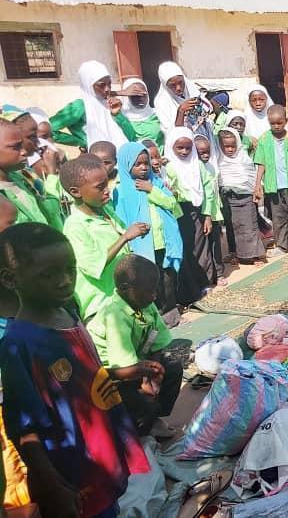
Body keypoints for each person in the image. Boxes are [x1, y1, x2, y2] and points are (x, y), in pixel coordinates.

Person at [0, 223, 149, 518]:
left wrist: (127, 374)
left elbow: (84, 375)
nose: (65, 281)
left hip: (99, 448)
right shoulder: (19, 344)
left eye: (70, 269)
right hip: (71, 468)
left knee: (109, 506)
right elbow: (23, 426)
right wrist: (51, 482)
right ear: (10, 279)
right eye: (48, 275)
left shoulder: (68, 313)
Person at [88, 254, 183, 438]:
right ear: (125, 288)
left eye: (156, 289)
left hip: (134, 365)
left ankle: (153, 420)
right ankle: (136, 435)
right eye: (149, 290)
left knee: (172, 369)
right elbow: (122, 369)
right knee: (143, 401)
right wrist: (146, 378)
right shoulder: (115, 315)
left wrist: (152, 377)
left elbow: (157, 343)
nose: (154, 295)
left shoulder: (146, 304)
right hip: (110, 376)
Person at [60, 155, 149, 320]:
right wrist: (125, 238)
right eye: (100, 187)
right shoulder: (75, 226)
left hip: (123, 297)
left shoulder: (105, 211)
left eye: (106, 184)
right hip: (102, 307)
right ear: (75, 192)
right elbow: (94, 265)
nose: (107, 190)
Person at [113, 141, 185, 326]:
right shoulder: (120, 191)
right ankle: (155, 319)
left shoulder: (156, 182)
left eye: (145, 163)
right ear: (126, 165)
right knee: (149, 282)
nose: (144, 168)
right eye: (138, 164)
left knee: (167, 279)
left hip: (164, 242)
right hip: (142, 246)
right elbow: (120, 221)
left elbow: (171, 204)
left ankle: (171, 314)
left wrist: (151, 190)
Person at [162, 127, 213, 300]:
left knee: (199, 247)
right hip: (177, 213)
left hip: (196, 210)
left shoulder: (197, 165)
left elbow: (208, 190)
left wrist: (207, 215)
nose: (184, 152)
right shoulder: (167, 167)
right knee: (184, 250)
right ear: (171, 147)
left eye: (188, 148)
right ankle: (189, 289)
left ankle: (204, 282)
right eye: (180, 148)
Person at [254, 104, 288, 258]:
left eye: (279, 123)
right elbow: (261, 164)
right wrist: (258, 185)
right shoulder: (264, 139)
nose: (276, 126)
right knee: (279, 218)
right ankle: (282, 245)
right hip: (274, 187)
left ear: (286, 120)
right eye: (272, 123)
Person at [50, 60, 138, 149]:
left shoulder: (111, 103)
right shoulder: (80, 106)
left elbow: (131, 137)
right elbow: (48, 130)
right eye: (101, 85)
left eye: (109, 84)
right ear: (88, 85)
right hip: (97, 159)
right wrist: (82, 142)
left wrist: (117, 115)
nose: (107, 89)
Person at [0, 118, 63, 229]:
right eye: (16, 147)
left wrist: (51, 172)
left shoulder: (25, 176)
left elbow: (51, 208)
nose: (24, 152)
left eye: (22, 145)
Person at [218, 127, 265, 265]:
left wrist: (256, 189)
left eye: (233, 146)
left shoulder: (244, 158)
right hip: (228, 198)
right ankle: (236, 254)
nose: (230, 149)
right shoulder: (219, 160)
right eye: (226, 146)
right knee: (233, 227)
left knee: (249, 226)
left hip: (246, 198)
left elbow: (251, 176)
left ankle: (255, 255)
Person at [153, 61, 214, 142]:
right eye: (172, 85)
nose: (178, 88)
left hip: (204, 140)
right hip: (184, 145)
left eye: (180, 82)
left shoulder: (192, 91)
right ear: (165, 85)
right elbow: (171, 134)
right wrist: (181, 111)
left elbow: (207, 112)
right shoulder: (162, 103)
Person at [194, 134, 226, 285]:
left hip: (212, 213)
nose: (206, 155)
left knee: (215, 245)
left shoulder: (210, 167)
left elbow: (213, 192)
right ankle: (208, 276)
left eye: (208, 152)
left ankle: (218, 274)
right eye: (201, 153)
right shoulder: (194, 168)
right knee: (204, 247)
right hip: (201, 213)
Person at [120, 77, 165, 149]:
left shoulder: (158, 114)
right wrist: (119, 93)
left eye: (144, 94)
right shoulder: (120, 118)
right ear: (126, 97)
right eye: (135, 95)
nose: (141, 99)